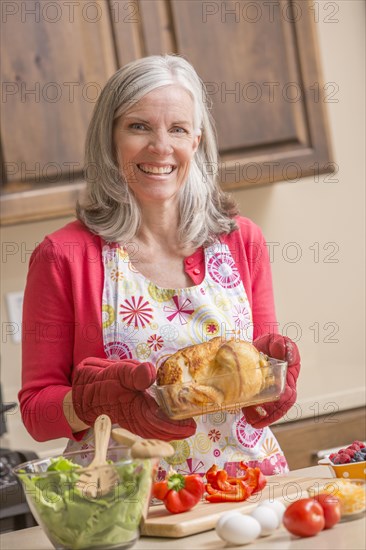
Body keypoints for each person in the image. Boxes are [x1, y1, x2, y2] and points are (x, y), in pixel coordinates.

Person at [19, 55, 300, 477]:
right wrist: (90, 404)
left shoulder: (241, 240)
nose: (161, 147)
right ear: (109, 138)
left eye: (178, 129)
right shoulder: (63, 256)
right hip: (127, 500)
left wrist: (275, 382)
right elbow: (36, 412)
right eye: (139, 126)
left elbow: (260, 368)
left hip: (247, 485)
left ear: (197, 141)